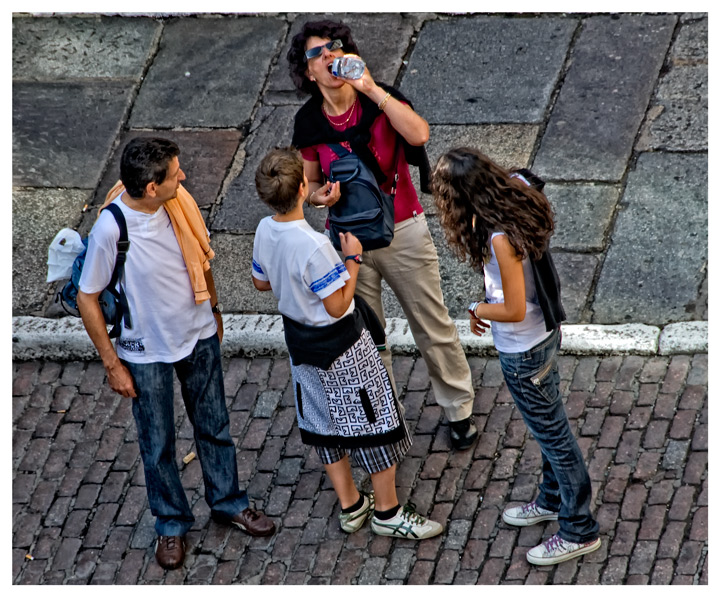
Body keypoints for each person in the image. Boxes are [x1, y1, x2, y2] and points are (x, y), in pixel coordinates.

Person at [76, 137, 275, 571]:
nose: (183, 177)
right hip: (144, 352)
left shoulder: (178, 201)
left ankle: (228, 502)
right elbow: (87, 296)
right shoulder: (111, 228)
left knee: (214, 425)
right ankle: (170, 523)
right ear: (151, 187)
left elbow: (201, 260)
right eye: (175, 173)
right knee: (157, 443)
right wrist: (112, 363)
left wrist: (216, 310)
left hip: (197, 334)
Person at [287, 19, 478, 451]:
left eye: (334, 47)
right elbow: (310, 186)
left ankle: (458, 409)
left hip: (403, 226)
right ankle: (385, 412)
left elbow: (419, 134)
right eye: (317, 53)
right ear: (308, 72)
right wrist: (322, 199)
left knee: (431, 322)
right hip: (348, 240)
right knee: (367, 336)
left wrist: (372, 88)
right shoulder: (308, 124)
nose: (329, 56)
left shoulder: (380, 98)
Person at [252, 146, 443, 540]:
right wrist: (352, 259)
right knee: (375, 421)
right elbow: (338, 304)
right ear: (304, 184)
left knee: (323, 422)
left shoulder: (263, 230)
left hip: (299, 344)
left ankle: (352, 506)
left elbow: (261, 282)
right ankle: (388, 512)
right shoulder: (316, 247)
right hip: (340, 344)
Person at [431, 147, 601, 566]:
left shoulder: (500, 238)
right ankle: (550, 497)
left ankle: (579, 528)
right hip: (541, 337)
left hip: (524, 350)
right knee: (548, 430)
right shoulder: (520, 190)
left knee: (555, 439)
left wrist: (477, 309)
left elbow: (513, 308)